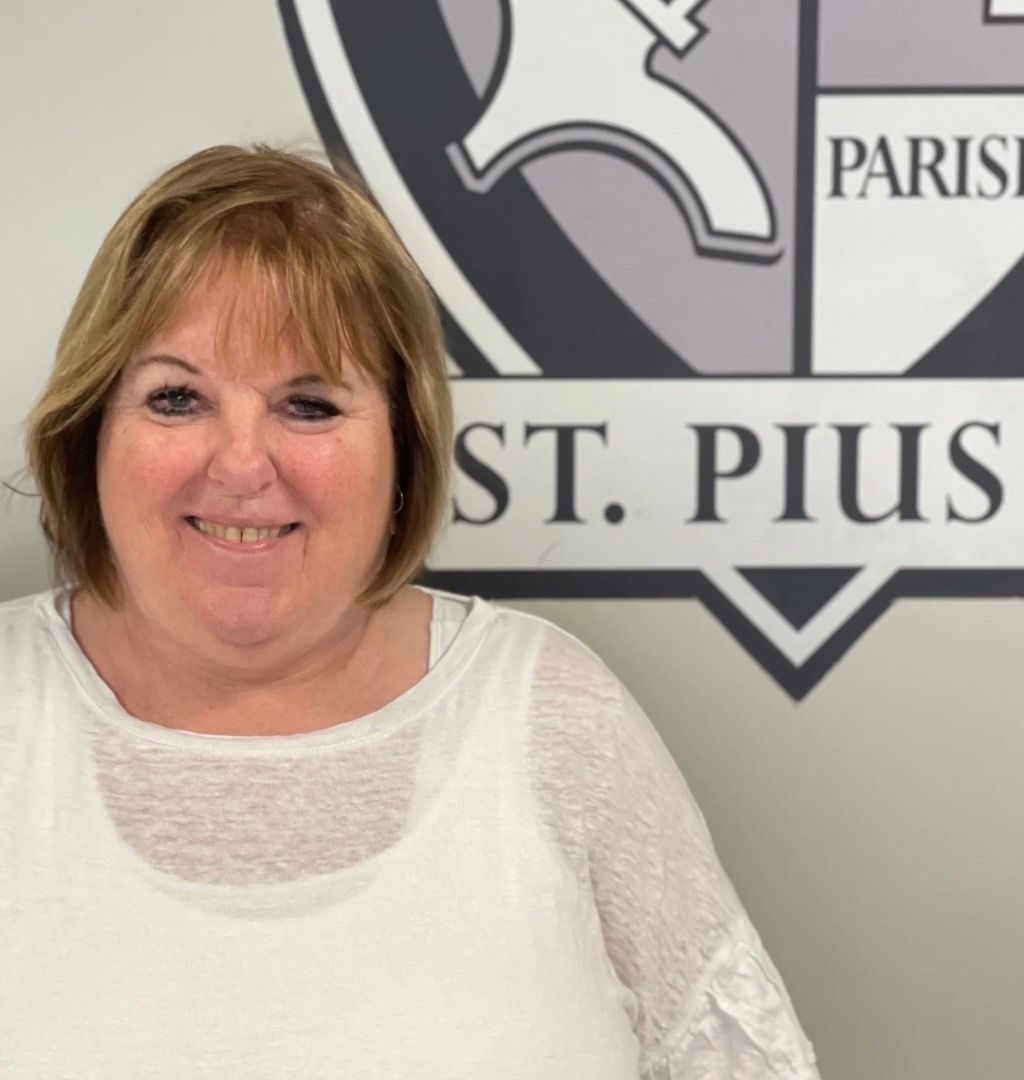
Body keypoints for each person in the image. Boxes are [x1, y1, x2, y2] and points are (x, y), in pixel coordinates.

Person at [0, 145, 819, 1079]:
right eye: (178, 396)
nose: (239, 464)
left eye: (308, 405)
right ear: (90, 428)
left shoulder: (552, 721)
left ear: (402, 444)